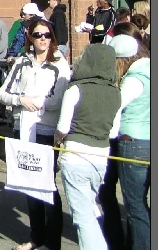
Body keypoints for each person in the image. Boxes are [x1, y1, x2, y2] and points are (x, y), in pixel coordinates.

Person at [0, 19, 71, 250]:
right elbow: (4, 93)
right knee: (29, 183)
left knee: (47, 184)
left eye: (47, 35)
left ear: (52, 37)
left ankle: (53, 241)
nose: (42, 39)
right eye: (38, 34)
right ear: (30, 36)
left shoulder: (60, 64)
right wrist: (22, 100)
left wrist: (36, 102)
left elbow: (58, 99)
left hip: (45, 129)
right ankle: (36, 236)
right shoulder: (22, 62)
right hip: (24, 127)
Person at [54, 42, 120, 250]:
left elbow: (62, 127)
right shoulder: (116, 92)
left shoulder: (75, 89)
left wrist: (57, 141)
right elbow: (113, 132)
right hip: (101, 157)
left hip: (74, 156)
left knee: (82, 217)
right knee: (88, 211)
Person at [98, 25, 151, 250]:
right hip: (146, 140)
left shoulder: (134, 79)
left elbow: (114, 108)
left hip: (133, 142)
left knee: (135, 206)